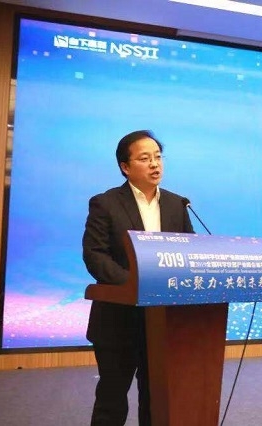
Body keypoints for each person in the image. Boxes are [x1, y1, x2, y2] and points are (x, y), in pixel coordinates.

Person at [82, 130, 194, 426]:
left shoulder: (177, 204)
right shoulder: (105, 203)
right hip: (118, 319)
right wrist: (136, 285)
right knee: (112, 399)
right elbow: (95, 255)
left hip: (163, 322)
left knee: (156, 400)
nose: (155, 164)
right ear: (125, 167)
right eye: (145, 158)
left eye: (158, 157)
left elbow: (189, 253)